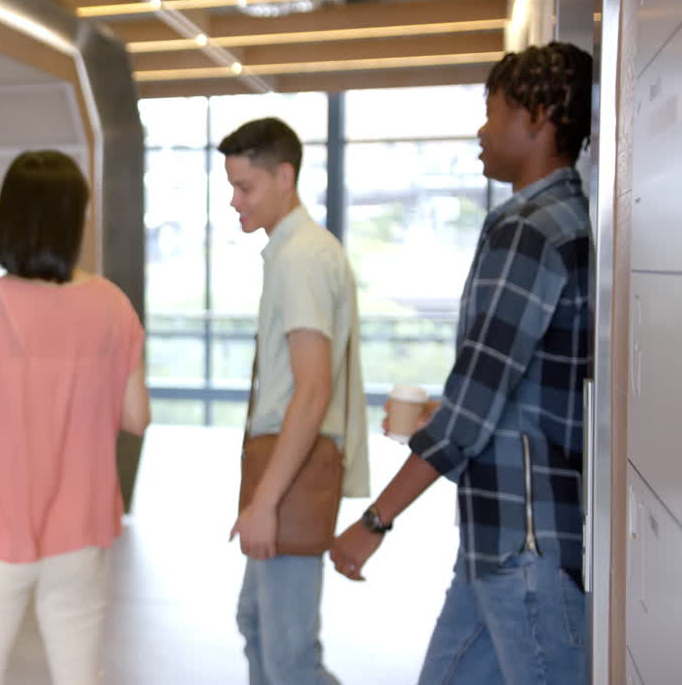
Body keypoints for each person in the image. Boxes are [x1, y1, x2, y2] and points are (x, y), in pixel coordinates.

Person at [329, 41, 594, 684]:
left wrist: (374, 520)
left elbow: (475, 405)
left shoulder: (530, 229)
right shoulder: (564, 217)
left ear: (537, 119)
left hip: (523, 551)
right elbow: (513, 385)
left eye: (493, 111)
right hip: (500, 547)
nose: (481, 130)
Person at [0, 150, 151, 685]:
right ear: (73, 219)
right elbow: (137, 417)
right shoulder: (112, 304)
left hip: (0, 526)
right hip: (81, 529)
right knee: (79, 673)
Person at [221, 118, 369, 685]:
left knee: (287, 655)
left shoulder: (300, 257)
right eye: (232, 187)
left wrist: (263, 503)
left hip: (292, 470)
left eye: (245, 187)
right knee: (257, 623)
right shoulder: (298, 251)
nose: (236, 201)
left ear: (285, 176)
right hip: (288, 464)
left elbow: (312, 391)